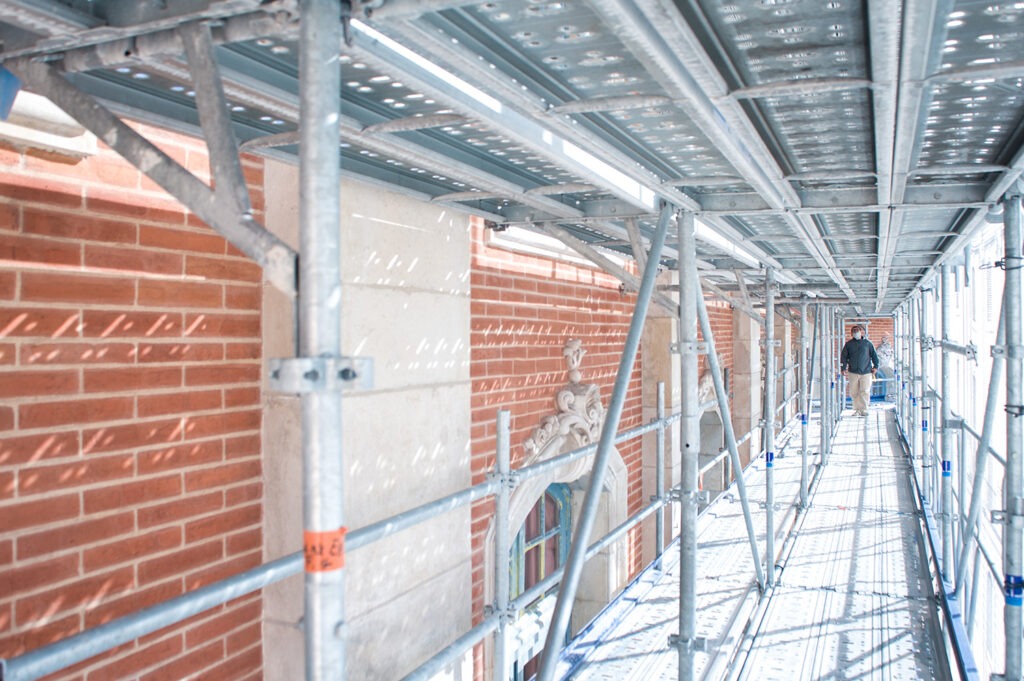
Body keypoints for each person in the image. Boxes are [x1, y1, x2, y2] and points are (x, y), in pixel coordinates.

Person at [840, 324, 879, 417]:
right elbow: (844, 356)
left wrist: (876, 366)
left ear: (861, 332)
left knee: (865, 391)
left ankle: (864, 409)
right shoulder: (849, 344)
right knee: (854, 391)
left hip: (866, 372)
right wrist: (843, 368)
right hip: (853, 371)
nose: (855, 332)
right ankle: (857, 409)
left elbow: (874, 355)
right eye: (853, 331)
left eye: (857, 330)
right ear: (851, 333)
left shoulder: (867, 343)